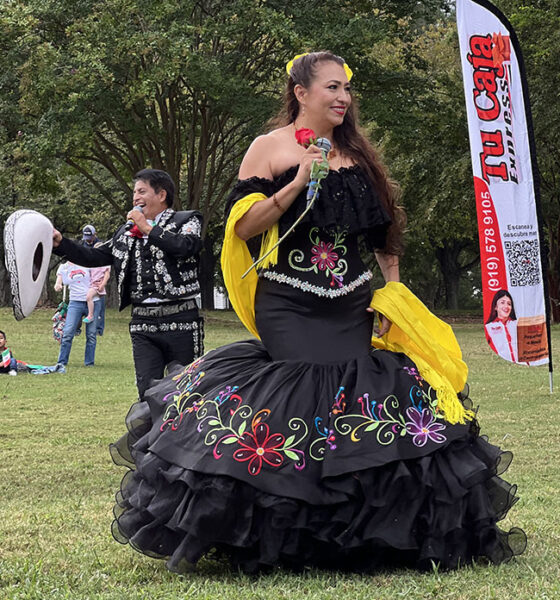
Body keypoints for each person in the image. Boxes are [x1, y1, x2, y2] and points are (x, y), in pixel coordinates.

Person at [109, 52, 526, 574]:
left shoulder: (358, 155)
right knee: (303, 393)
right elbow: (243, 227)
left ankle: (365, 534)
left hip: (351, 301)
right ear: (301, 92)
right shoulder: (270, 148)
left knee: (359, 395)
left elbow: (383, 238)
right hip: (288, 301)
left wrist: (392, 296)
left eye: (347, 90)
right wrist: (298, 180)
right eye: (333, 87)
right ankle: (280, 534)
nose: (343, 98)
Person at [52, 169, 204, 395]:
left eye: (142, 191)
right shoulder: (125, 233)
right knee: (147, 392)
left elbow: (185, 246)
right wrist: (61, 243)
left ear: (161, 195)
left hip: (181, 320)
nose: (135, 198)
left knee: (186, 393)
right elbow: (93, 256)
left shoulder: (187, 220)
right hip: (142, 323)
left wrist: (147, 228)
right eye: (134, 192)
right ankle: (150, 431)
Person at [54, 262, 101, 369]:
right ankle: (62, 361)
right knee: (68, 332)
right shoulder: (64, 267)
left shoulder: (87, 263)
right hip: (75, 302)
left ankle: (89, 363)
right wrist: (58, 285)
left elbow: (99, 276)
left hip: (93, 301)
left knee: (91, 334)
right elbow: (59, 280)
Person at [81, 225, 106, 334]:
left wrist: (103, 282)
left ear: (95, 235)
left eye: (90, 237)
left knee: (100, 305)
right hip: (87, 278)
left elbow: (106, 270)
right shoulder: (82, 245)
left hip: (98, 279)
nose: (88, 239)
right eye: (86, 237)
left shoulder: (101, 246)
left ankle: (99, 329)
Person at [485, 289, 518, 362]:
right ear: (495, 307)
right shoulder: (488, 327)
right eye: (502, 303)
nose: (506, 306)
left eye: (509, 304)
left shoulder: (517, 324)